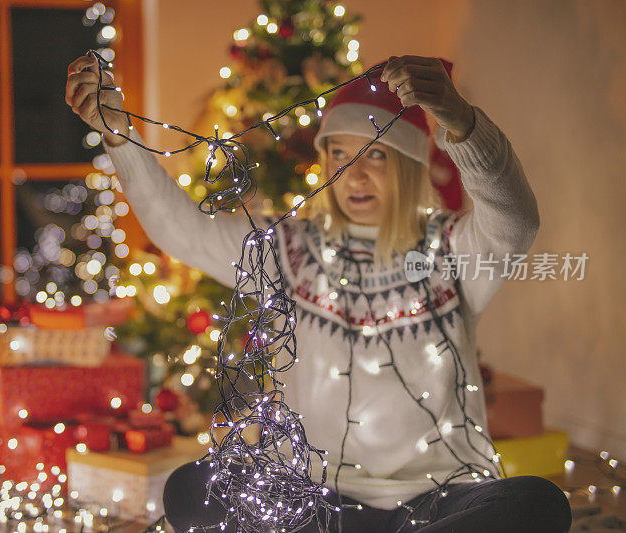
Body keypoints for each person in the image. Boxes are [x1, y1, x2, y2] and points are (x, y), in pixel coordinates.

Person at [65, 54, 572, 532]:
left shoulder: (450, 250)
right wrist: (120, 136)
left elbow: (516, 219)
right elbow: (180, 230)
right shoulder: (288, 248)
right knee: (193, 488)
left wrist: (462, 123)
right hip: (316, 498)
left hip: (441, 497)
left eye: (375, 154)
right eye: (339, 153)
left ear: (409, 163)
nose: (354, 173)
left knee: (538, 503)